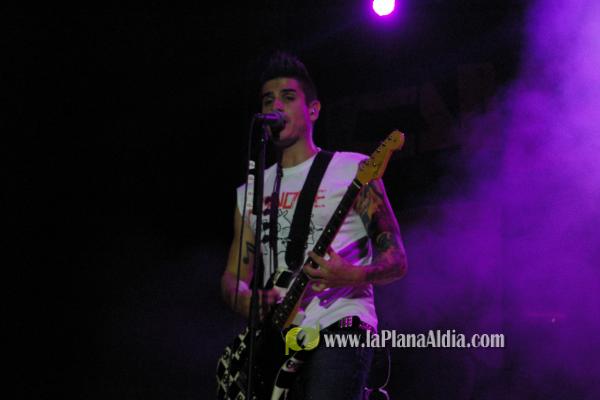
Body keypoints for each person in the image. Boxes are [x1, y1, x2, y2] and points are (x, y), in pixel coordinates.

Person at [220, 52, 407, 400]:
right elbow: (233, 277)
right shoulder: (250, 192)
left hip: (340, 323)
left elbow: (396, 259)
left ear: (314, 110)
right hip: (275, 341)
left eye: (288, 97)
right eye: (268, 100)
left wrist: (350, 274)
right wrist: (246, 300)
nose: (276, 105)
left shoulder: (353, 169)